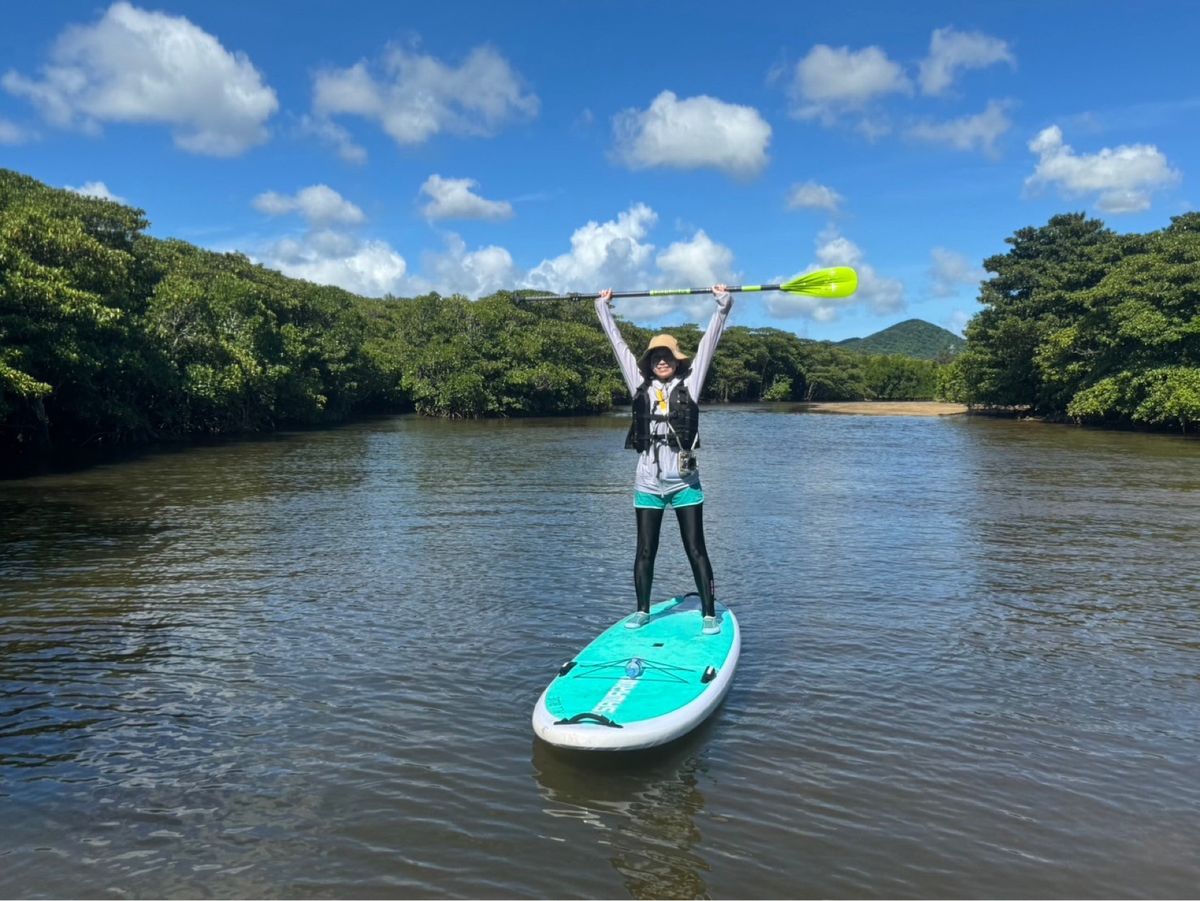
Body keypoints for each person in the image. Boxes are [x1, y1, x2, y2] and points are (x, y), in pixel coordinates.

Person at [595, 285, 734, 635]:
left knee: (695, 549)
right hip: (647, 483)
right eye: (656, 356)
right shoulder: (638, 384)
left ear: (676, 361)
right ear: (650, 362)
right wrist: (603, 308)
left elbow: (709, 345)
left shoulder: (691, 384)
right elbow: (617, 346)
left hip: (684, 483)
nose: (662, 360)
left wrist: (722, 306)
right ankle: (642, 611)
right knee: (645, 550)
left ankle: (708, 613)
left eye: (667, 356)